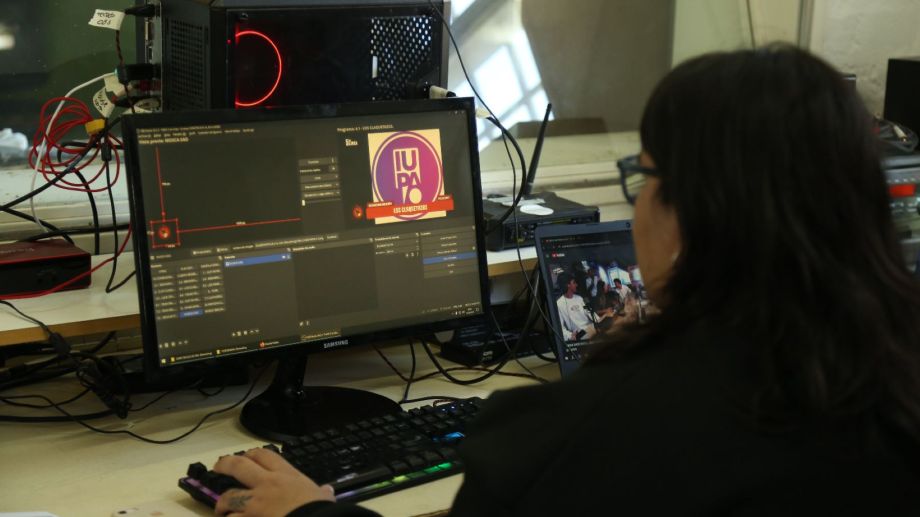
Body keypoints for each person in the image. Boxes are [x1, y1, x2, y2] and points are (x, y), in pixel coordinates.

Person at [209, 46, 920, 516]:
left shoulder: (584, 435)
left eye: (643, 176)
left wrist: (308, 513)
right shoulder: (889, 378)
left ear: (695, 210)